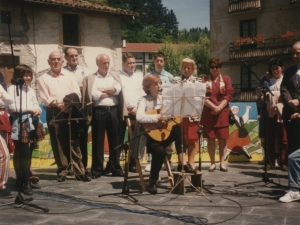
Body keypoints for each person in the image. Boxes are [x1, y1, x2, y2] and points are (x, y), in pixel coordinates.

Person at [132, 74, 192, 194]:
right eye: (155, 84)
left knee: (179, 128)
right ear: (148, 86)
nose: (159, 86)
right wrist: (157, 117)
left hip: (163, 135)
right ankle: (153, 181)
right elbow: (139, 116)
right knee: (159, 151)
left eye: (159, 83)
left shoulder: (163, 99)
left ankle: (182, 164)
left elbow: (172, 115)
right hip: (149, 139)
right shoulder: (143, 100)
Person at [38, 51, 90, 182]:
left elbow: (76, 92)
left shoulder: (70, 76)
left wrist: (68, 106)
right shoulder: (43, 78)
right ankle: (63, 171)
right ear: (49, 62)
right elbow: (45, 97)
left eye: (58, 59)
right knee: (58, 141)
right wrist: (60, 106)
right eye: (53, 59)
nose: (56, 61)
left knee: (74, 141)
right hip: (54, 111)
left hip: (71, 110)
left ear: (62, 61)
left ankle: (79, 171)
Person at [82, 54, 127, 178]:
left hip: (113, 111)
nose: (106, 65)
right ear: (98, 63)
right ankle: (97, 169)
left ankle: (115, 167)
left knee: (115, 141)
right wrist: (109, 91)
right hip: (98, 111)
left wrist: (102, 90)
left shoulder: (114, 76)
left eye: (108, 62)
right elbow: (94, 95)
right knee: (98, 141)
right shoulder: (91, 78)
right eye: (104, 63)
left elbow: (117, 90)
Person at [7, 64, 44, 195]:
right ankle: (21, 180)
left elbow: (35, 104)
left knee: (28, 152)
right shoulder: (12, 89)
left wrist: (37, 110)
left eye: (29, 75)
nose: (28, 78)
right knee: (20, 152)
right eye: (25, 75)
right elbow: (11, 107)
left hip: (31, 123)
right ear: (18, 76)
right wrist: (27, 109)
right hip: (19, 122)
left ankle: (26, 178)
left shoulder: (30, 90)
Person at [201, 57, 233, 172]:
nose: (215, 69)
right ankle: (212, 163)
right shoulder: (204, 80)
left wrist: (219, 107)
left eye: (217, 67)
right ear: (209, 68)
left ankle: (222, 163)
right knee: (210, 139)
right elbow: (202, 97)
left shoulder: (226, 79)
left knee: (222, 139)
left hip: (222, 112)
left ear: (220, 68)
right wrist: (214, 107)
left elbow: (229, 95)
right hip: (209, 112)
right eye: (212, 67)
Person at [279, 42, 300, 202]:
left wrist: (299, 101)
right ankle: (294, 186)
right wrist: (289, 102)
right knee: (293, 149)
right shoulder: (290, 71)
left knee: (295, 155)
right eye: (293, 53)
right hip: (290, 115)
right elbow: (284, 87)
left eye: (297, 53)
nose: (294, 56)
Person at [172, 58, 202, 172]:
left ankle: (191, 161)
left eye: (189, 67)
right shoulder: (176, 79)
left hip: (193, 112)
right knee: (181, 138)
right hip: (180, 112)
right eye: (184, 67)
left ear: (193, 69)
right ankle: (182, 162)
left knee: (192, 138)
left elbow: (201, 95)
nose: (186, 69)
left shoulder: (198, 80)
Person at [63, 47, 90, 173]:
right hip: (68, 108)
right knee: (69, 137)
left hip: (82, 108)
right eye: (71, 56)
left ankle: (83, 165)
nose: (74, 58)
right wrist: (79, 86)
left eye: (75, 55)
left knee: (82, 137)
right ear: (66, 58)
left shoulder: (84, 71)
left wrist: (76, 87)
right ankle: (70, 165)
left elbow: (89, 86)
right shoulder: (63, 72)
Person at [148, 52, 174, 172]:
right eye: (157, 60)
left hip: (166, 107)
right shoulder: (149, 76)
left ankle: (168, 160)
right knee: (153, 134)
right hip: (153, 107)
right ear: (154, 62)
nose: (159, 63)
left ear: (164, 62)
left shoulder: (169, 77)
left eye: (161, 61)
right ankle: (150, 161)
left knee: (167, 133)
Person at [118, 53, 145, 173]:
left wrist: (137, 107)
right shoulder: (118, 77)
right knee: (118, 138)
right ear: (124, 63)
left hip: (135, 111)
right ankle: (115, 165)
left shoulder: (140, 77)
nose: (132, 65)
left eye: (134, 63)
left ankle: (133, 163)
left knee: (134, 139)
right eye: (129, 63)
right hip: (122, 111)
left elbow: (143, 95)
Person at [264, 58, 287, 171]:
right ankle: (270, 162)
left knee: (283, 138)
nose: (275, 71)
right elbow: (261, 94)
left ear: (282, 68)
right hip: (270, 112)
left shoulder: (286, 80)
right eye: (273, 69)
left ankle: (284, 163)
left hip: (282, 113)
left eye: (277, 68)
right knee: (270, 138)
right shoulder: (268, 81)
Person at [0, 77, 14, 198]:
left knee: (5, 151)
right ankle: (1, 185)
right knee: (3, 154)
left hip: (2, 119)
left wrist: (2, 96)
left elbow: (9, 99)